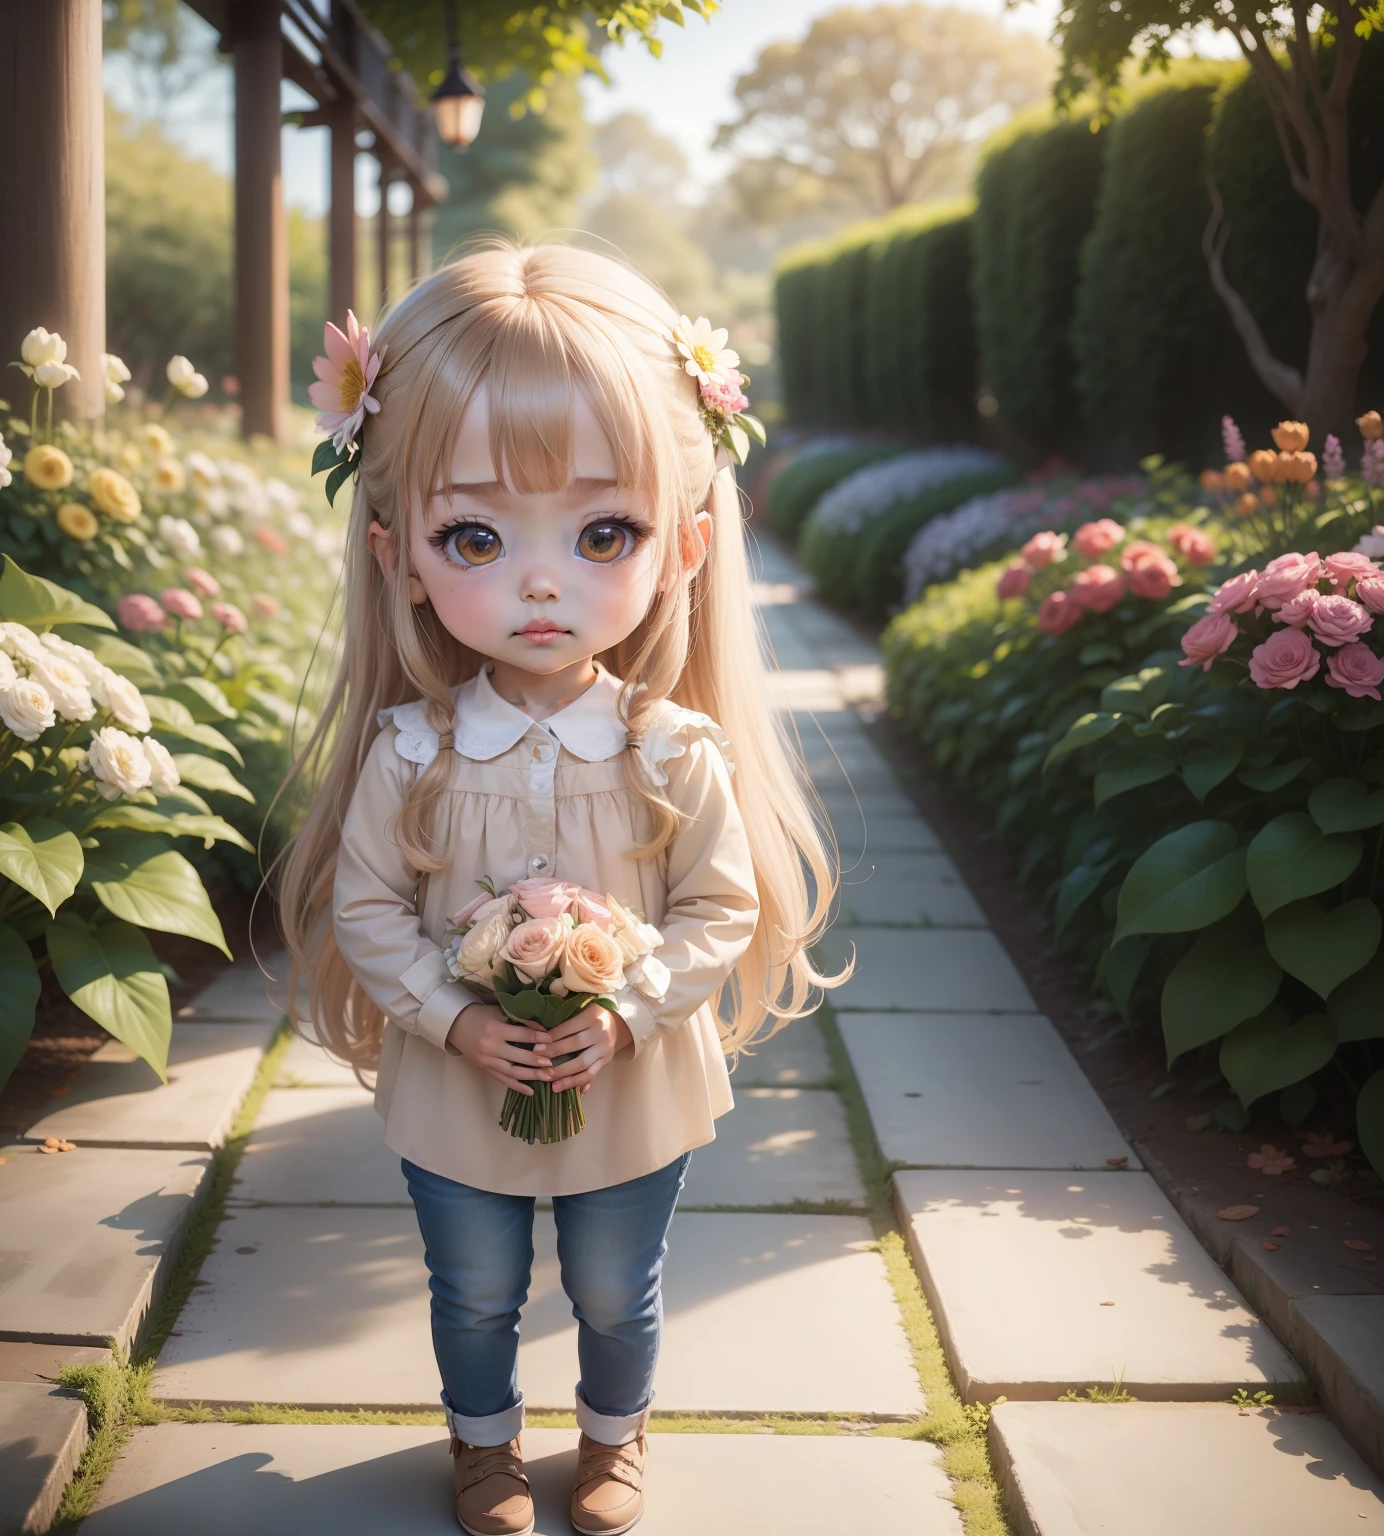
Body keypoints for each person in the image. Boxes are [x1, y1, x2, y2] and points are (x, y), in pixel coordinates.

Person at [278, 243, 840, 1536]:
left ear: (686, 542)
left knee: (612, 1283)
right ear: (396, 552)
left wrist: (631, 1004)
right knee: (471, 1280)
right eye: (474, 533)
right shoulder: (411, 751)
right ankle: (483, 1446)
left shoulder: (668, 749)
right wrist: (452, 1014)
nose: (543, 581)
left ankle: (612, 1436)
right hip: (457, 1069)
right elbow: (365, 906)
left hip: (625, 1067)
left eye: (604, 533)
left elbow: (720, 909)